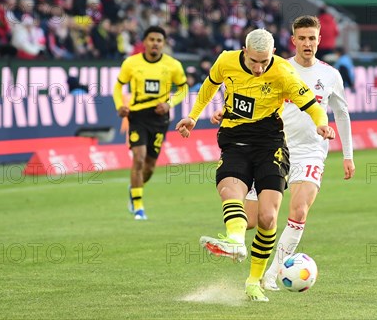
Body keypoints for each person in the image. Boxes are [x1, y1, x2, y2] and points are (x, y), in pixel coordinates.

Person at [175, 28, 335, 302]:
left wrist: (321, 123)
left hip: (270, 145)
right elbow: (209, 86)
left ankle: (253, 282)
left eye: (264, 61)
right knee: (230, 191)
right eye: (253, 62)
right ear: (244, 52)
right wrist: (192, 116)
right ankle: (236, 241)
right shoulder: (225, 61)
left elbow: (311, 103)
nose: (259, 68)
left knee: (268, 218)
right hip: (234, 141)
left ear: (272, 53)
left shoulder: (283, 72)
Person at [212, 16, 355, 292]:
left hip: (310, 153)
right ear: (293, 41)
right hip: (273, 149)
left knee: (299, 210)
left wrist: (347, 155)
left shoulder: (330, 75)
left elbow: (342, 113)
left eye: (312, 38)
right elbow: (247, 99)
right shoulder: (274, 67)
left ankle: (272, 274)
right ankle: (238, 244)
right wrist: (227, 112)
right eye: (302, 38)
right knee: (256, 219)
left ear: (319, 40)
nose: (307, 43)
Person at [113, 25, 188, 220]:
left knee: (149, 167)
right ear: (144, 42)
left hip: (159, 118)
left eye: (159, 40)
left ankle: (134, 188)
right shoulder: (131, 63)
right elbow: (118, 86)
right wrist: (120, 105)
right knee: (138, 158)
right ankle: (138, 207)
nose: (155, 43)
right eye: (152, 39)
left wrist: (169, 104)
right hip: (137, 116)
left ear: (163, 44)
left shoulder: (173, 65)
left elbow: (183, 89)